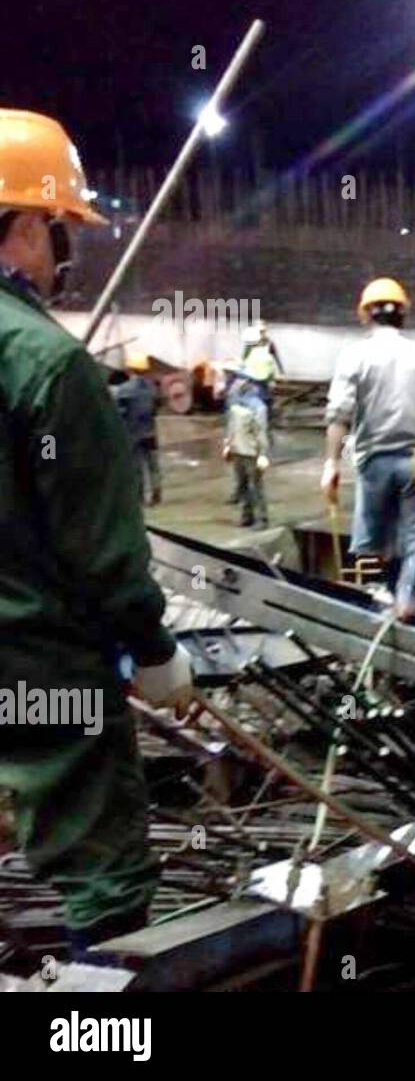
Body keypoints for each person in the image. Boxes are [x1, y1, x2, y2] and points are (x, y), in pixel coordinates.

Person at [0, 109, 194, 957]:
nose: (66, 250)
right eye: (61, 227)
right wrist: (153, 652)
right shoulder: (45, 362)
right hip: (42, 667)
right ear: (30, 223)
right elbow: (103, 554)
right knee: (103, 870)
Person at [323, 277, 415, 623]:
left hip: (374, 463)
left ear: (365, 315)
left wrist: (330, 463)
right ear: (403, 315)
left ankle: (396, 597)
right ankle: (408, 600)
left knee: (382, 540)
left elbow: (339, 413)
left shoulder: (355, 356)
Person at [111, 351, 163, 506]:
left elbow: (119, 412)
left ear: (130, 370)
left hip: (133, 433)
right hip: (150, 432)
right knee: (153, 465)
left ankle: (139, 496)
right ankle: (156, 494)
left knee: (137, 466)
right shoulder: (152, 387)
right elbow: (156, 407)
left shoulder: (124, 390)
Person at [224, 371, 271, 529]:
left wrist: (263, 453)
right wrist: (228, 445)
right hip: (238, 449)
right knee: (242, 486)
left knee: (255, 487)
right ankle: (247, 516)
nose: (237, 384)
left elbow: (261, 430)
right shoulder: (235, 403)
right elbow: (231, 426)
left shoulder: (258, 406)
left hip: (252, 452)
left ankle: (262, 519)